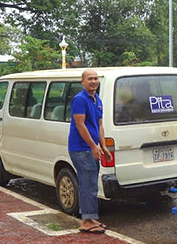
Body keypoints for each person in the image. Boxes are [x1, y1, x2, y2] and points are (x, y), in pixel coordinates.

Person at [68, 69, 112, 234]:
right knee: (87, 184)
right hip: (81, 149)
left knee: (92, 184)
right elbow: (80, 125)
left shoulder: (97, 100)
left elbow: (99, 125)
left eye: (95, 79)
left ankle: (91, 218)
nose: (93, 81)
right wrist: (93, 146)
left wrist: (103, 146)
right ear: (83, 81)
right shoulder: (79, 100)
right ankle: (86, 222)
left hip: (92, 148)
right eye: (89, 79)